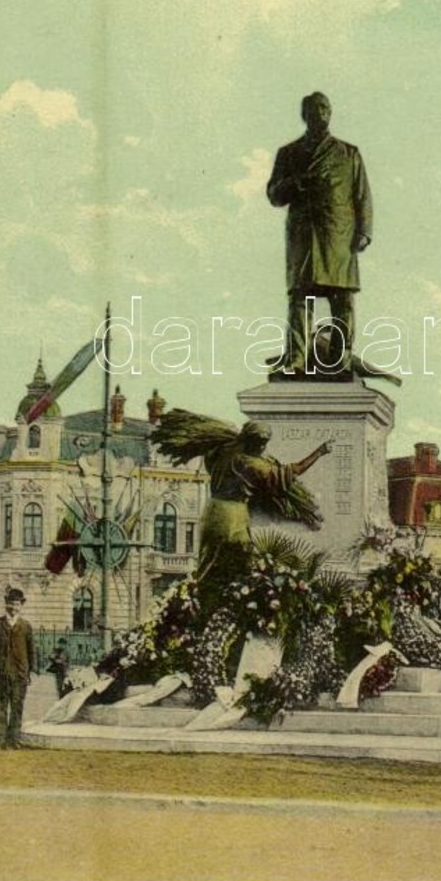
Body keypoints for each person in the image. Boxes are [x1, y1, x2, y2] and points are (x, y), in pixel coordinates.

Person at [154, 411, 333, 618]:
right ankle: (232, 609)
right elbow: (292, 472)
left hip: (213, 510)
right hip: (233, 515)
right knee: (242, 560)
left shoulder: (223, 450)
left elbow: (210, 460)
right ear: (255, 444)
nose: (264, 447)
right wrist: (319, 452)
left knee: (209, 562)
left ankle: (199, 606)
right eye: (262, 444)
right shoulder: (253, 464)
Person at [267, 92, 372, 377]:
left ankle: (339, 360)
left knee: (342, 300)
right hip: (304, 236)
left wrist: (363, 232)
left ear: (331, 112)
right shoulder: (289, 153)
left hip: (339, 237)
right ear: (304, 114)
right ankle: (297, 360)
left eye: (324, 108)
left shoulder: (348, 153)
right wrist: (297, 182)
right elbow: (274, 194)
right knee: (301, 299)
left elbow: (362, 196)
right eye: (314, 109)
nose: (320, 113)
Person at [0, 587, 35, 749]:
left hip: (20, 674)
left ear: (21, 606)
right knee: (0, 706)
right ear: (6, 604)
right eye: (11, 604)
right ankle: (0, 740)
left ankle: (14, 739)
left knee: (17, 707)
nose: (14, 607)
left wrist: (29, 672)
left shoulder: (26, 626)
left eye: (17, 604)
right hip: (0, 673)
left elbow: (31, 650)